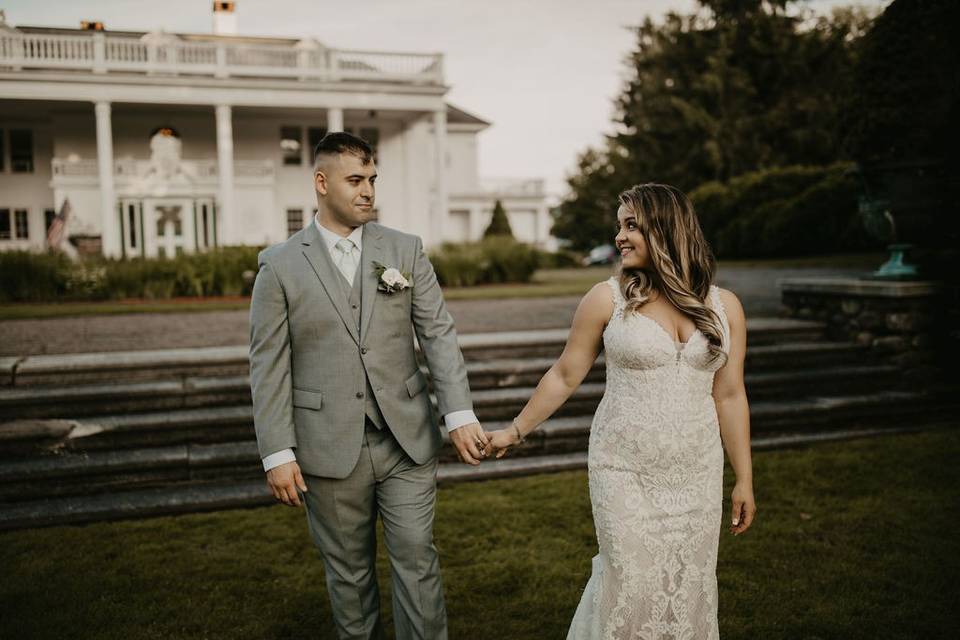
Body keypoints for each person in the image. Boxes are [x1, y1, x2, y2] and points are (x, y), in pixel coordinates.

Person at [486, 183, 756, 639]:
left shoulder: (724, 307)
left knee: (689, 584)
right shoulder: (605, 298)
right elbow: (565, 375)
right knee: (629, 580)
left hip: (697, 472)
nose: (619, 237)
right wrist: (515, 431)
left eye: (631, 225)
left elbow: (729, 395)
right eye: (619, 226)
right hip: (623, 467)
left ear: (666, 228)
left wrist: (744, 478)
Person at [248, 132, 489, 640]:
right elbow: (267, 363)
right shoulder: (279, 264)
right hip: (327, 446)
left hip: (407, 438)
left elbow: (438, 332)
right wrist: (276, 451)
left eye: (372, 180)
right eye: (355, 180)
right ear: (321, 182)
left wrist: (459, 413)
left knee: (418, 561)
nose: (367, 192)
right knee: (350, 579)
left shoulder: (403, 249)